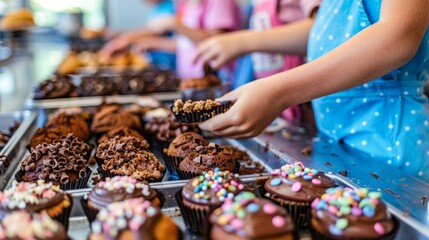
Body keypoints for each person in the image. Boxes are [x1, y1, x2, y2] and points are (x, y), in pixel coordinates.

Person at [196, 0, 429, 180]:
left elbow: (398, 36)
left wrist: (277, 92)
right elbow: (323, 35)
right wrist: (245, 42)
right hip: (335, 140)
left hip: (388, 142)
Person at [101, 0, 241, 81]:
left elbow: (218, 42)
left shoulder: (220, 2)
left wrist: (174, 24)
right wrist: (151, 43)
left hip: (217, 82)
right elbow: (185, 44)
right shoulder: (186, 4)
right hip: (188, 79)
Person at [101, 0, 176, 70]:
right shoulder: (157, 9)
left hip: (169, 63)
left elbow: (156, 30)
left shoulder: (170, 7)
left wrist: (126, 38)